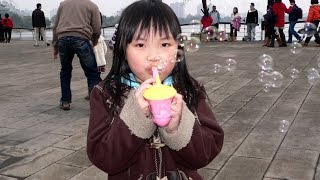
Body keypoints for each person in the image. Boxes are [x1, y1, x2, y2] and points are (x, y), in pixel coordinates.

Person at [86, 0, 224, 179]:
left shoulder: (190, 90)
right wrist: (134, 118)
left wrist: (179, 126)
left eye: (165, 44)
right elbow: (103, 157)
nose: (154, 57)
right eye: (141, 45)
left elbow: (205, 153)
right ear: (123, 50)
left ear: (178, 48)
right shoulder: (106, 94)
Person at [52, 0, 102, 110]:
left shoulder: (63, 4)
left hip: (63, 39)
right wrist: (95, 40)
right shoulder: (91, 5)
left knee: (65, 70)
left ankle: (65, 101)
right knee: (92, 73)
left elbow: (55, 26)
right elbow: (97, 27)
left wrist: (55, 45)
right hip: (81, 39)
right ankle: (95, 105)